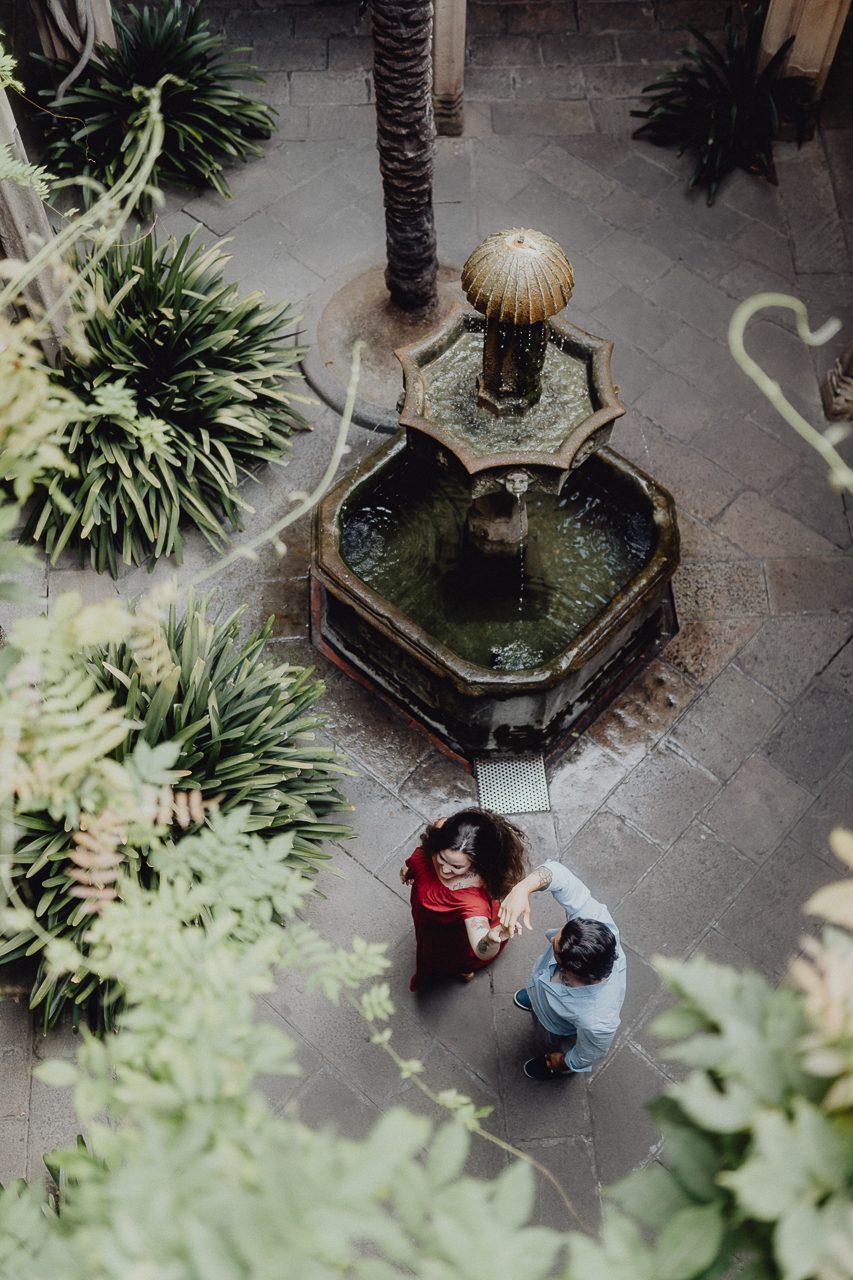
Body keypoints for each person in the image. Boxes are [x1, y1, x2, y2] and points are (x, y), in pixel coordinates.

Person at [499, 861, 626, 1081]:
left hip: (555, 1023)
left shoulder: (598, 1020)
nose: (551, 938)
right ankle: (535, 997)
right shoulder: (596, 924)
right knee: (538, 990)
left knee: (547, 1036)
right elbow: (559, 875)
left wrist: (564, 1062)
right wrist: (522, 888)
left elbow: (591, 1052)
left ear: (573, 972)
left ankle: (551, 1065)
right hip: (544, 988)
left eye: (555, 950)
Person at [401, 808, 529, 991]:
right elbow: (422, 853)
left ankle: (465, 970)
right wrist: (409, 869)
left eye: (457, 866)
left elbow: (480, 948)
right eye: (442, 858)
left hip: (451, 936)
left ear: (476, 862)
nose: (445, 870)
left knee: (454, 958)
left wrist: (491, 939)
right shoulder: (442, 828)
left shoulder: (473, 902)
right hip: (426, 925)